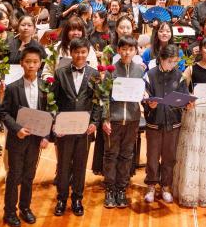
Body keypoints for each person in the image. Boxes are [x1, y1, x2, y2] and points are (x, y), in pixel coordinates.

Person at [1, 46, 50, 227]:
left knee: (29, 175)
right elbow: (4, 113)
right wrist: (17, 129)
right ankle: (9, 211)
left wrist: (46, 135)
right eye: (28, 61)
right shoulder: (13, 88)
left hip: (35, 140)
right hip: (17, 139)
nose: (31, 65)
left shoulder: (45, 88)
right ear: (21, 63)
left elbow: (48, 113)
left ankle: (25, 207)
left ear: (40, 64)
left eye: (35, 62)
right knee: (14, 176)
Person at [173, 36, 206, 207]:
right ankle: (191, 192)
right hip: (195, 114)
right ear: (200, 50)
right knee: (194, 152)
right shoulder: (191, 68)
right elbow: (179, 88)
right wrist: (188, 99)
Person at [52, 38, 100, 217]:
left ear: (87, 53)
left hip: (84, 128)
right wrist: (55, 122)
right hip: (64, 128)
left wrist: (95, 122)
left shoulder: (94, 74)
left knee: (80, 165)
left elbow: (98, 101)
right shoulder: (60, 73)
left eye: (83, 52)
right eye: (76, 52)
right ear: (70, 53)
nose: (80, 55)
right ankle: (61, 198)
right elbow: (53, 100)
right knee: (63, 165)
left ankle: (77, 198)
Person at [142, 44, 191, 204]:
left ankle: (166, 186)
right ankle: (151, 186)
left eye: (175, 61)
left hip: (173, 122)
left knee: (169, 157)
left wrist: (188, 103)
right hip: (154, 122)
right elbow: (144, 96)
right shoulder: (150, 74)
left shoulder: (179, 75)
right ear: (161, 59)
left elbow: (184, 96)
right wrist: (149, 104)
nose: (173, 64)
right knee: (152, 156)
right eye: (169, 61)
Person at [101, 36, 144, 208]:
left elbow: (141, 92)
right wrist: (105, 118)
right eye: (123, 49)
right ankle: (109, 189)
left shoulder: (139, 71)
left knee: (127, 155)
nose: (127, 53)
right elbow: (104, 96)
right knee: (111, 155)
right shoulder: (111, 70)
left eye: (130, 49)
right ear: (118, 50)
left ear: (135, 51)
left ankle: (121, 189)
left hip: (132, 119)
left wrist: (145, 96)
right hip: (114, 120)